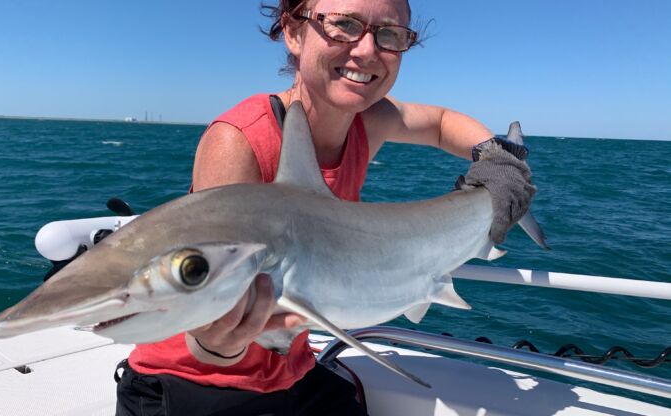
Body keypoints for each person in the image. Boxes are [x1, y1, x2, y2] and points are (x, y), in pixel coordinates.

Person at [115, 0, 535, 414]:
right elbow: (214, 315)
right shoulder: (239, 139)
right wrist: (215, 343)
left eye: (390, 34)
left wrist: (495, 159)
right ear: (294, 33)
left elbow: (442, 123)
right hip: (193, 379)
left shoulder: (368, 121)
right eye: (343, 24)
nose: (367, 50)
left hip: (293, 371)